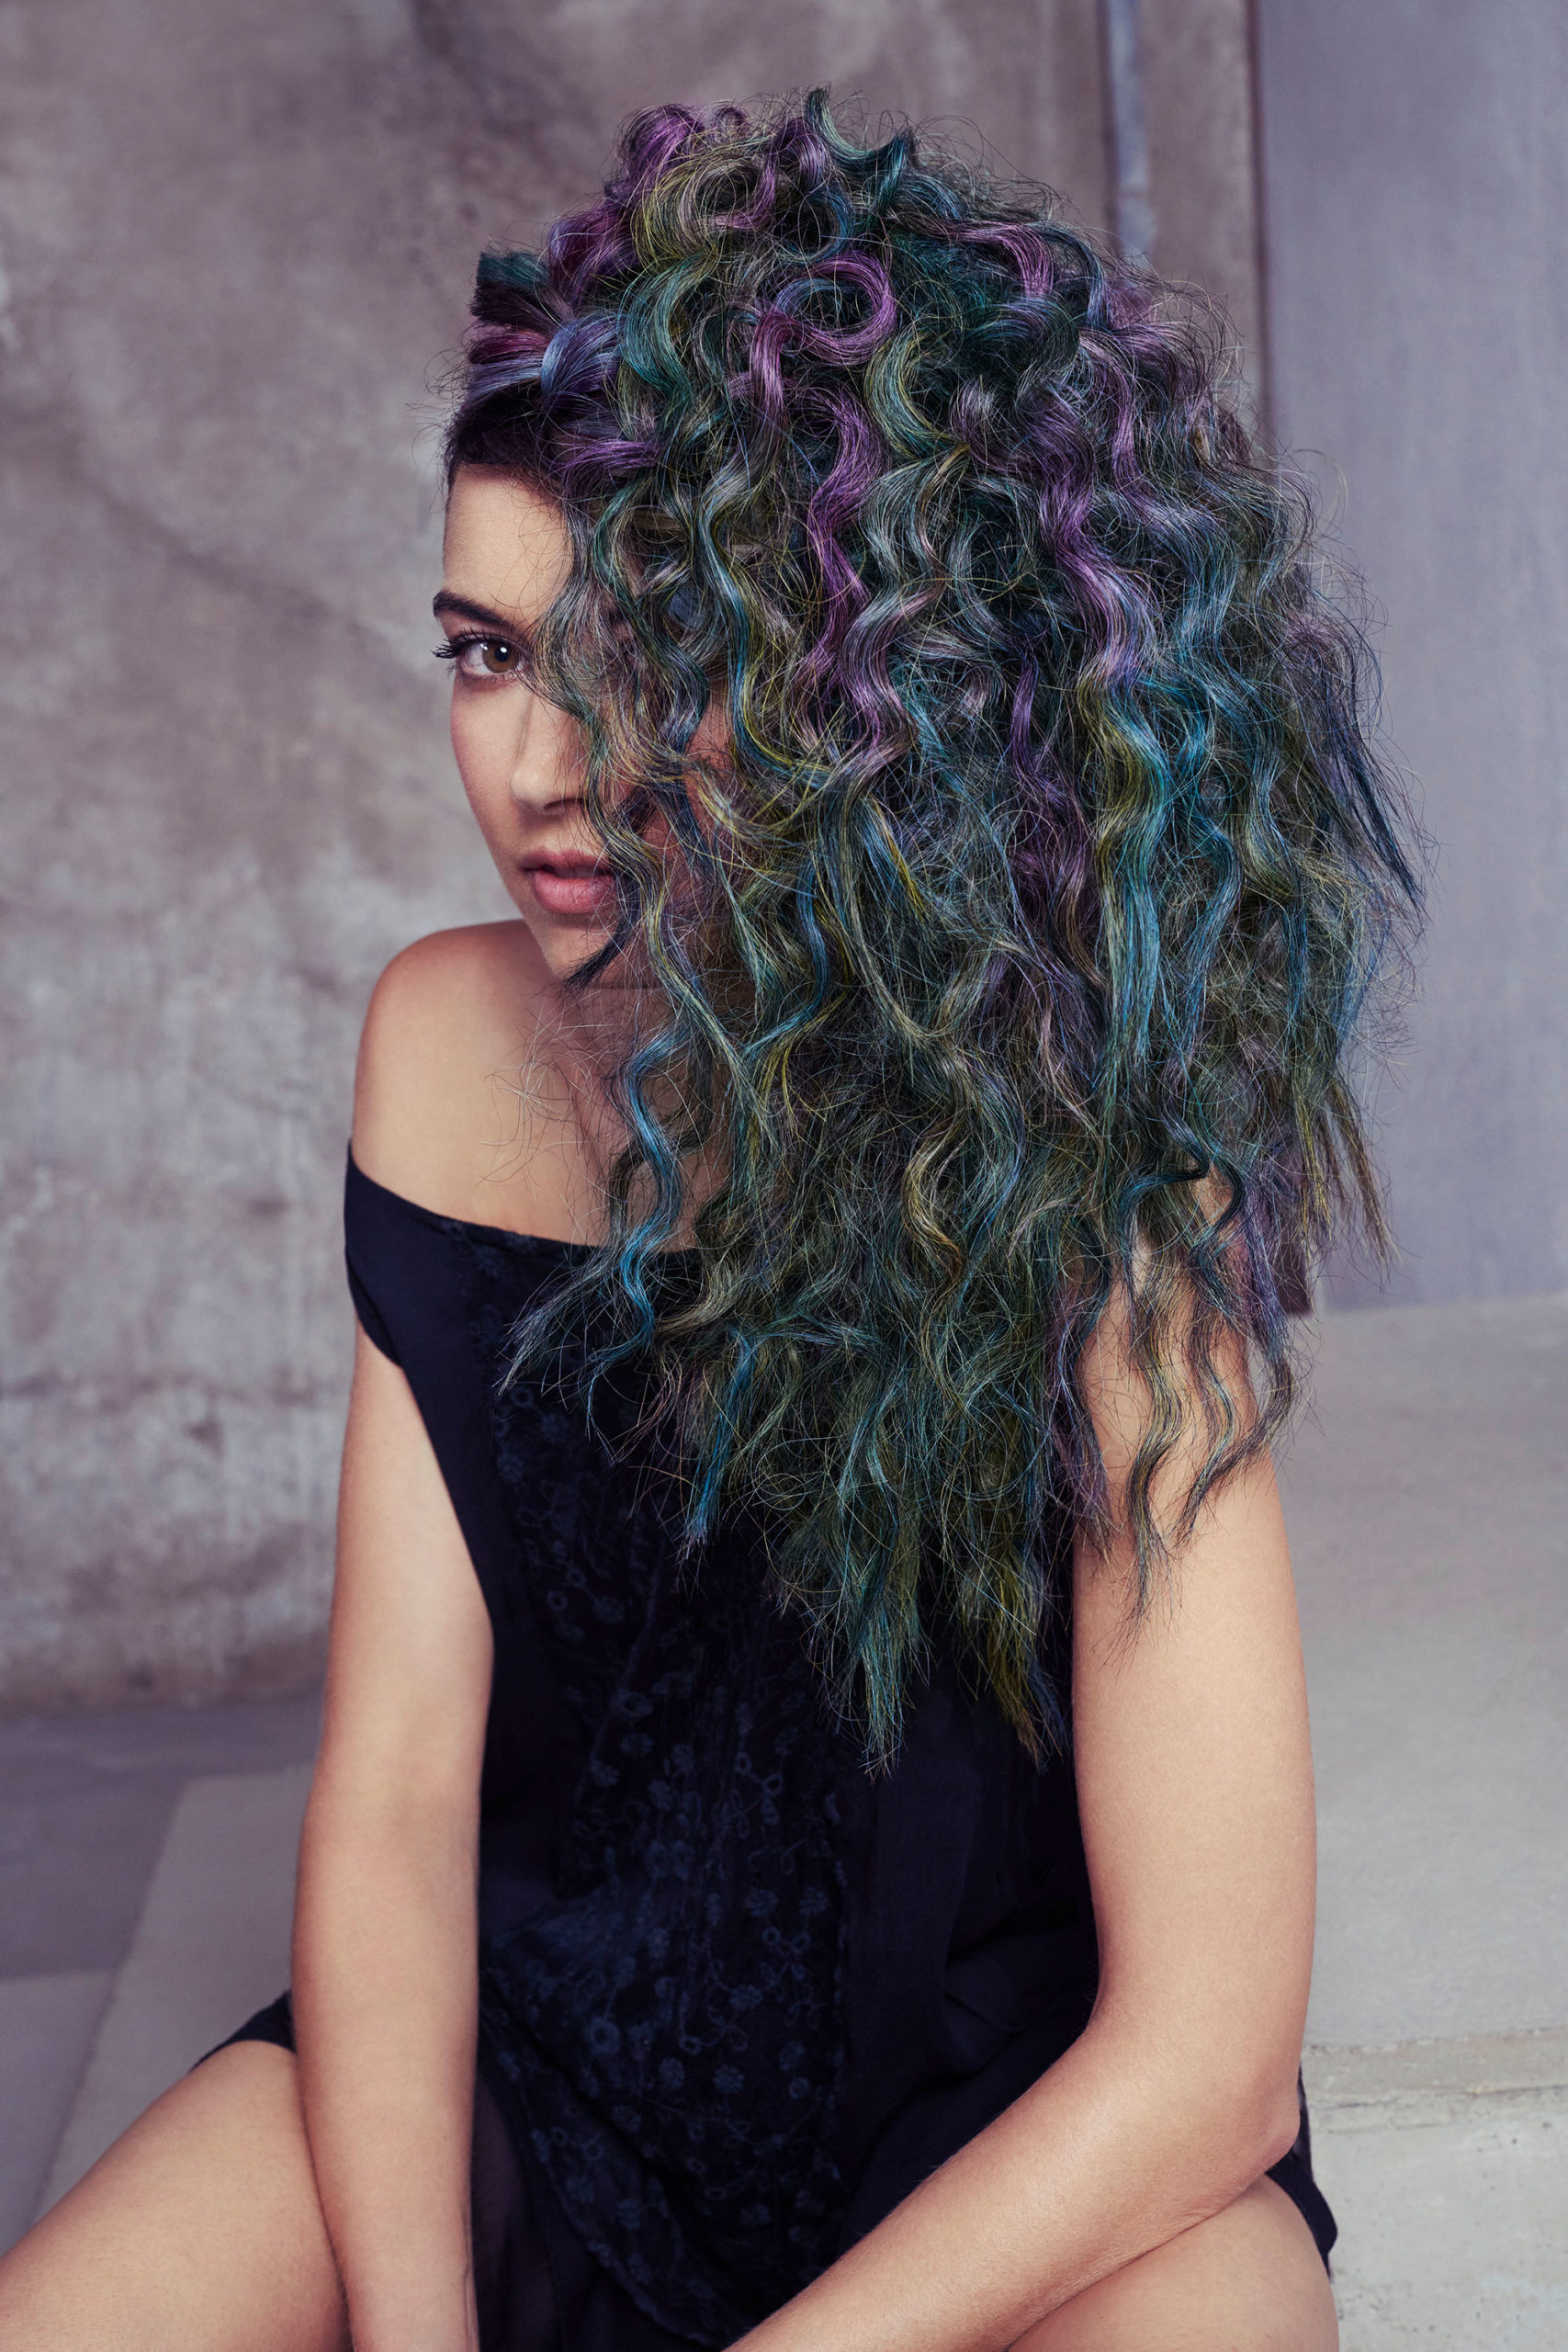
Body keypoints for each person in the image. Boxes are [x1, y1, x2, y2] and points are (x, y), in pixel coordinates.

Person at [0, 93, 1419, 2352]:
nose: (541, 763)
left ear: (867, 686)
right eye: (486, 650)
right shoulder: (444, 1046)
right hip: (552, 2076)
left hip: (1004, 2136)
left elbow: (1209, 2050)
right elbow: (396, 1798)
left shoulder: (1094, 1166)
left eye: (654, 650)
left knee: (1231, 2321)